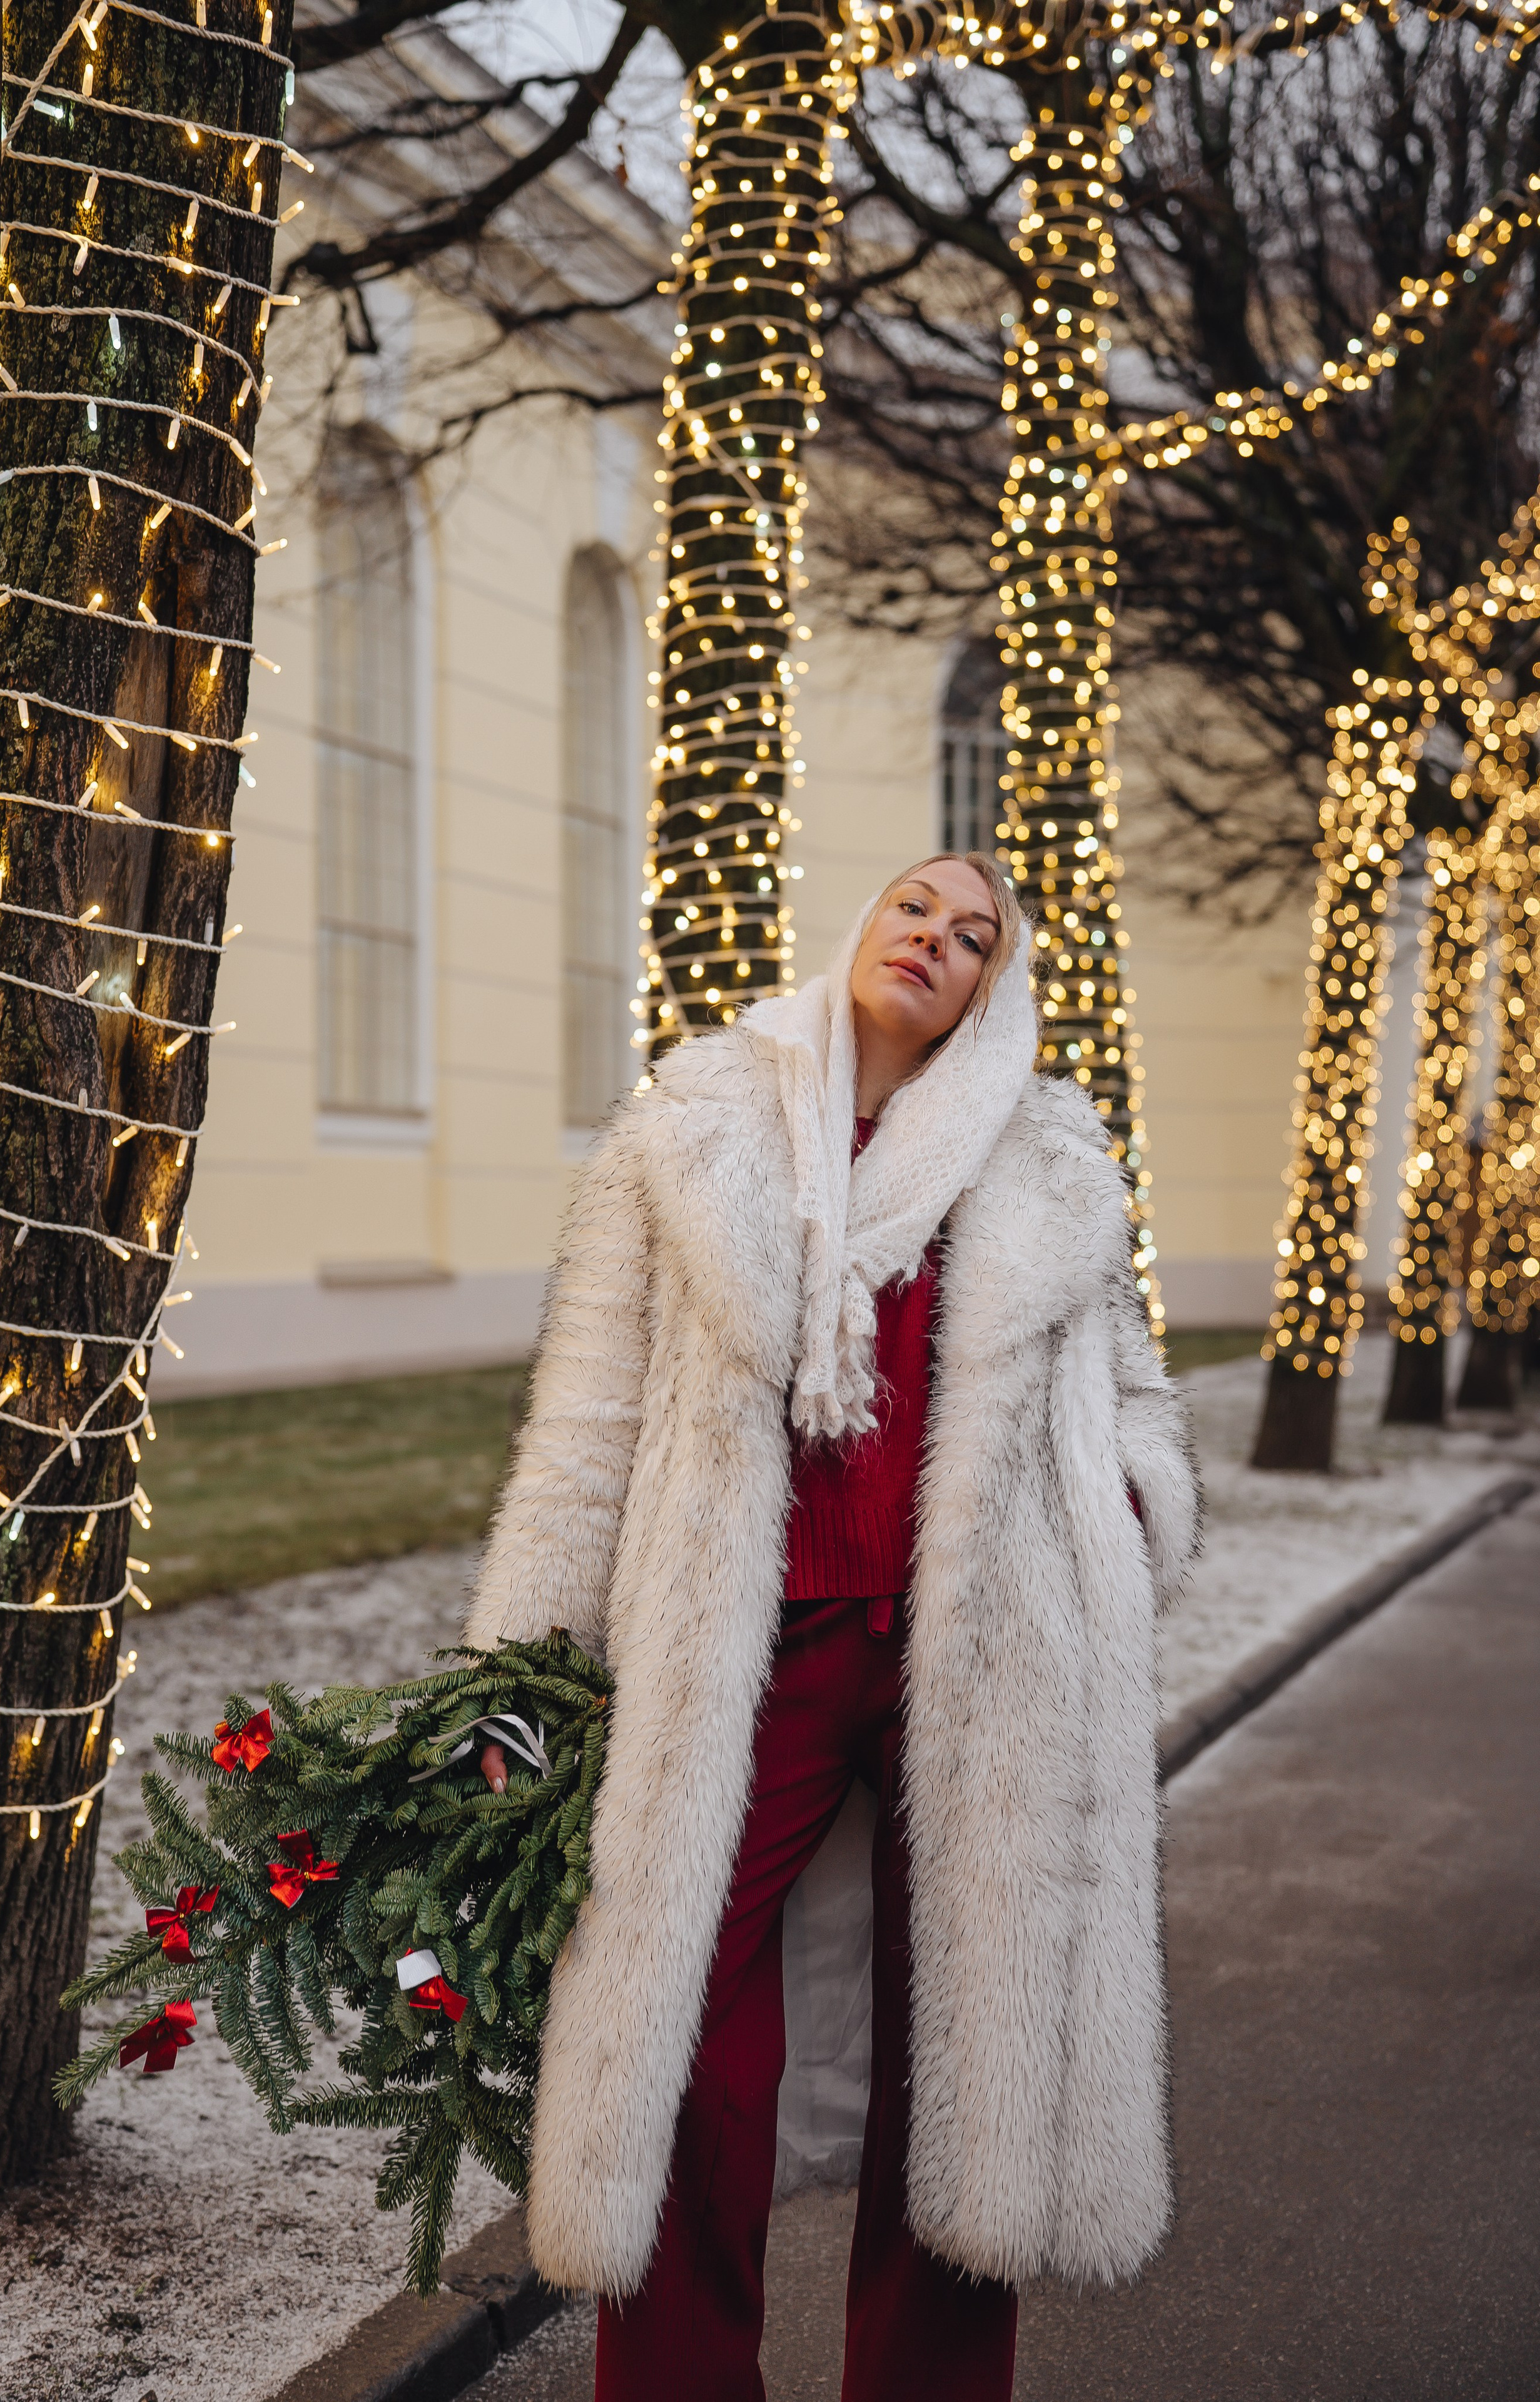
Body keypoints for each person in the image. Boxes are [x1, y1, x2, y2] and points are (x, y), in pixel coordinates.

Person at [465, 853, 1199, 2401]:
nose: (934, 939)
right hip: (742, 1657)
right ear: (863, 925)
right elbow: (589, 1424)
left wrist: (1120, 1528)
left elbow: (1132, 1402)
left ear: (988, 990)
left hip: (979, 1658)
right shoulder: (692, 1128)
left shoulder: (1042, 1160)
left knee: (972, 2063)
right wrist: (520, 1663)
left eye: (972, 936)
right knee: (677, 2041)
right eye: (913, 909)